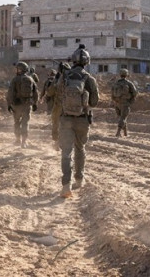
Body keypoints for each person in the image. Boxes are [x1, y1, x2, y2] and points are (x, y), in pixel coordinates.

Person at [57, 47, 99, 198]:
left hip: (66, 119)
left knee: (66, 152)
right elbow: (94, 102)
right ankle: (79, 179)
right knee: (80, 149)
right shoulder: (89, 79)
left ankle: (66, 186)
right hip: (82, 120)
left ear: (73, 60)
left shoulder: (65, 77)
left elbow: (58, 94)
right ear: (87, 62)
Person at [6, 61, 38, 148]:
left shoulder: (15, 80)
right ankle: (24, 142)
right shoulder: (30, 79)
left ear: (20, 69)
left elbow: (10, 93)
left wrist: (9, 104)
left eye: (17, 68)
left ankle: (17, 140)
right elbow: (35, 93)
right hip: (27, 105)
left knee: (17, 122)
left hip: (16, 105)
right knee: (25, 123)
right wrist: (35, 103)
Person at [45, 62, 70, 147]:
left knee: (56, 123)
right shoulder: (72, 78)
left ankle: (56, 142)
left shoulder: (58, 79)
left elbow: (49, 92)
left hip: (59, 105)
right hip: (71, 106)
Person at [111, 68, 138, 137]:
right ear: (127, 75)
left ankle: (125, 133)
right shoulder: (129, 83)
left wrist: (115, 101)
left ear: (120, 75)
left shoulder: (116, 83)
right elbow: (135, 93)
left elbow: (112, 94)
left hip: (117, 103)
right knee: (123, 118)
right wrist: (131, 100)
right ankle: (118, 133)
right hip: (125, 103)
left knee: (122, 117)